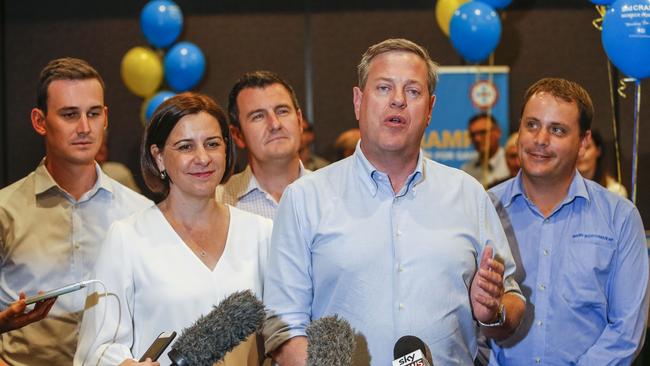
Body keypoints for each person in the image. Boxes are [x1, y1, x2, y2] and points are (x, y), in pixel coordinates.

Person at [263, 38, 525, 366]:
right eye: (384, 88)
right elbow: (284, 323)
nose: (398, 101)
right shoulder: (305, 198)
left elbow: (511, 298)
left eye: (413, 92)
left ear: (429, 109)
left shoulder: (469, 194)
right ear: (359, 101)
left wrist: (494, 312)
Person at [74, 93, 273, 366]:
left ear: (226, 150)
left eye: (212, 144)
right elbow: (96, 350)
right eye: (185, 147)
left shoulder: (261, 233)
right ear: (158, 158)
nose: (202, 158)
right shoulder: (128, 237)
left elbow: (283, 331)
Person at [0, 57, 152, 365]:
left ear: (105, 117)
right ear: (39, 121)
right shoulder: (5, 210)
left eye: (93, 114)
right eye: (69, 115)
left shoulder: (140, 212)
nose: (84, 128)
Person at [487, 78, 648, 365]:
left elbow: (626, 330)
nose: (540, 140)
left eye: (557, 130)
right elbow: (466, 316)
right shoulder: (484, 208)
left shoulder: (619, 218)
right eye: (532, 125)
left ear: (584, 142)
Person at [215, 71, 309, 220]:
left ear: (299, 120)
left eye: (282, 111)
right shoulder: (216, 202)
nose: (275, 124)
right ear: (237, 135)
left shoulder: (334, 194)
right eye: (258, 116)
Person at [461, 113, 509, 187]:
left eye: (483, 132)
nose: (477, 139)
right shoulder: (467, 170)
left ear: (498, 132)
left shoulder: (512, 162)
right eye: (472, 135)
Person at [577, 129, 627, 198]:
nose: (581, 154)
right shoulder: (564, 190)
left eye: (587, 148)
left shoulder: (614, 191)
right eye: (577, 148)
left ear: (598, 150)